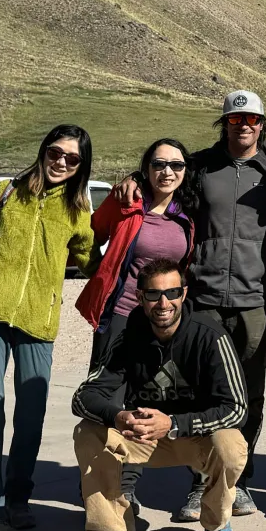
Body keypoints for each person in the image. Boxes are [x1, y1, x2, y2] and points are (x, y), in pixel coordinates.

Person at [109, 90, 266, 520]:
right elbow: (163, 181)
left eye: (251, 119)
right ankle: (199, 485)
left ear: (262, 124)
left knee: (249, 393)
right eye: (234, 120)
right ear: (224, 123)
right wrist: (133, 181)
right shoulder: (199, 167)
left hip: (255, 302)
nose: (243, 126)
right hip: (205, 300)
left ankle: (239, 482)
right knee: (199, 392)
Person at [0, 125, 96, 531]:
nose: (61, 162)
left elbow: (90, 260)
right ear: (44, 151)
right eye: (56, 152)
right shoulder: (6, 191)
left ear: (80, 167)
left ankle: (18, 499)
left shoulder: (76, 211)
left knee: (31, 413)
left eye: (72, 159)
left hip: (39, 321)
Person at [69, 258, 248, 531]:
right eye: (153, 295)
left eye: (172, 293)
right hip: (144, 437)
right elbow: (83, 397)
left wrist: (175, 423)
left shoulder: (210, 336)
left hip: (196, 437)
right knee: (87, 432)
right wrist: (118, 415)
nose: (163, 303)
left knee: (229, 443)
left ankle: (216, 521)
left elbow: (236, 408)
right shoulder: (128, 337)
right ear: (139, 297)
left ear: (184, 294)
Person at [75, 138, 197, 506]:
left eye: (176, 165)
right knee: (110, 400)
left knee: (147, 398)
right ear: (145, 169)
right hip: (122, 316)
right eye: (159, 164)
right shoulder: (125, 202)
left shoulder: (186, 215)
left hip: (162, 323)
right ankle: (105, 484)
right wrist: (100, 274)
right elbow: (87, 236)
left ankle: (127, 483)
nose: (168, 172)